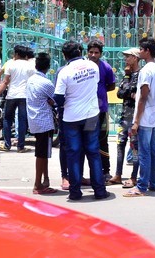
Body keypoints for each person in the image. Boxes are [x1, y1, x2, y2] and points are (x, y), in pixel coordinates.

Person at [55, 41, 108, 201]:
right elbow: (96, 84)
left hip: (71, 118)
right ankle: (99, 190)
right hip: (92, 115)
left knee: (74, 153)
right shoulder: (93, 66)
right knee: (93, 152)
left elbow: (58, 97)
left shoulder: (65, 72)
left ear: (65, 56)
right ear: (79, 51)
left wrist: (66, 104)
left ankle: (75, 191)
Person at [124, 38, 155, 197]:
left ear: (147, 51)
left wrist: (136, 121)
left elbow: (143, 96)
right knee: (152, 150)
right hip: (154, 115)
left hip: (146, 116)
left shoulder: (146, 70)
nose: (139, 51)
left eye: (141, 49)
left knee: (145, 152)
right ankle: (153, 183)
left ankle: (141, 186)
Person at [26, 52, 58, 195]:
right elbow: (57, 99)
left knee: (43, 153)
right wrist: (51, 102)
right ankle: (38, 184)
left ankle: (45, 180)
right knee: (42, 154)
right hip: (44, 122)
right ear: (48, 66)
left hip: (34, 120)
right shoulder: (46, 83)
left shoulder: (31, 80)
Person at [109, 48, 141, 187]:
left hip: (134, 117)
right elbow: (120, 93)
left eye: (128, 56)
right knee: (120, 145)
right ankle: (118, 174)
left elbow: (129, 90)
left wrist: (128, 85)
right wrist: (127, 80)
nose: (125, 59)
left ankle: (134, 177)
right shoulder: (127, 75)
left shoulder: (140, 74)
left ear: (135, 58)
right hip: (124, 116)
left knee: (134, 147)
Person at [0, 45, 34, 153]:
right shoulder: (30, 66)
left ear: (16, 54)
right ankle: (20, 146)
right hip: (24, 96)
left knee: (7, 119)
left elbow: (5, 82)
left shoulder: (11, 65)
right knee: (22, 120)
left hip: (11, 95)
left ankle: (7, 145)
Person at [87, 40, 116, 181]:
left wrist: (101, 92)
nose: (93, 55)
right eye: (91, 52)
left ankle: (106, 171)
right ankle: (91, 172)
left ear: (101, 54)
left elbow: (111, 85)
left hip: (101, 110)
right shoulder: (82, 67)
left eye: (96, 52)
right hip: (86, 112)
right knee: (87, 141)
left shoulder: (106, 67)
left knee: (103, 140)